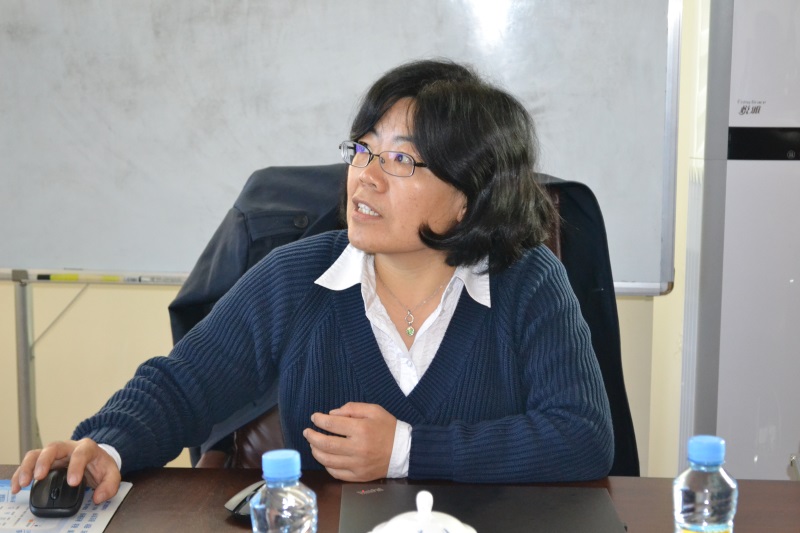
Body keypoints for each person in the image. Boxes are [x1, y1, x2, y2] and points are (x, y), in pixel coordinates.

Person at [12, 59, 613, 504]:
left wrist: (405, 450)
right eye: (363, 150)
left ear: (468, 196)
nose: (365, 177)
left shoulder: (528, 281)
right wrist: (106, 445)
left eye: (401, 160)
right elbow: (183, 386)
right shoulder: (297, 277)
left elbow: (583, 435)